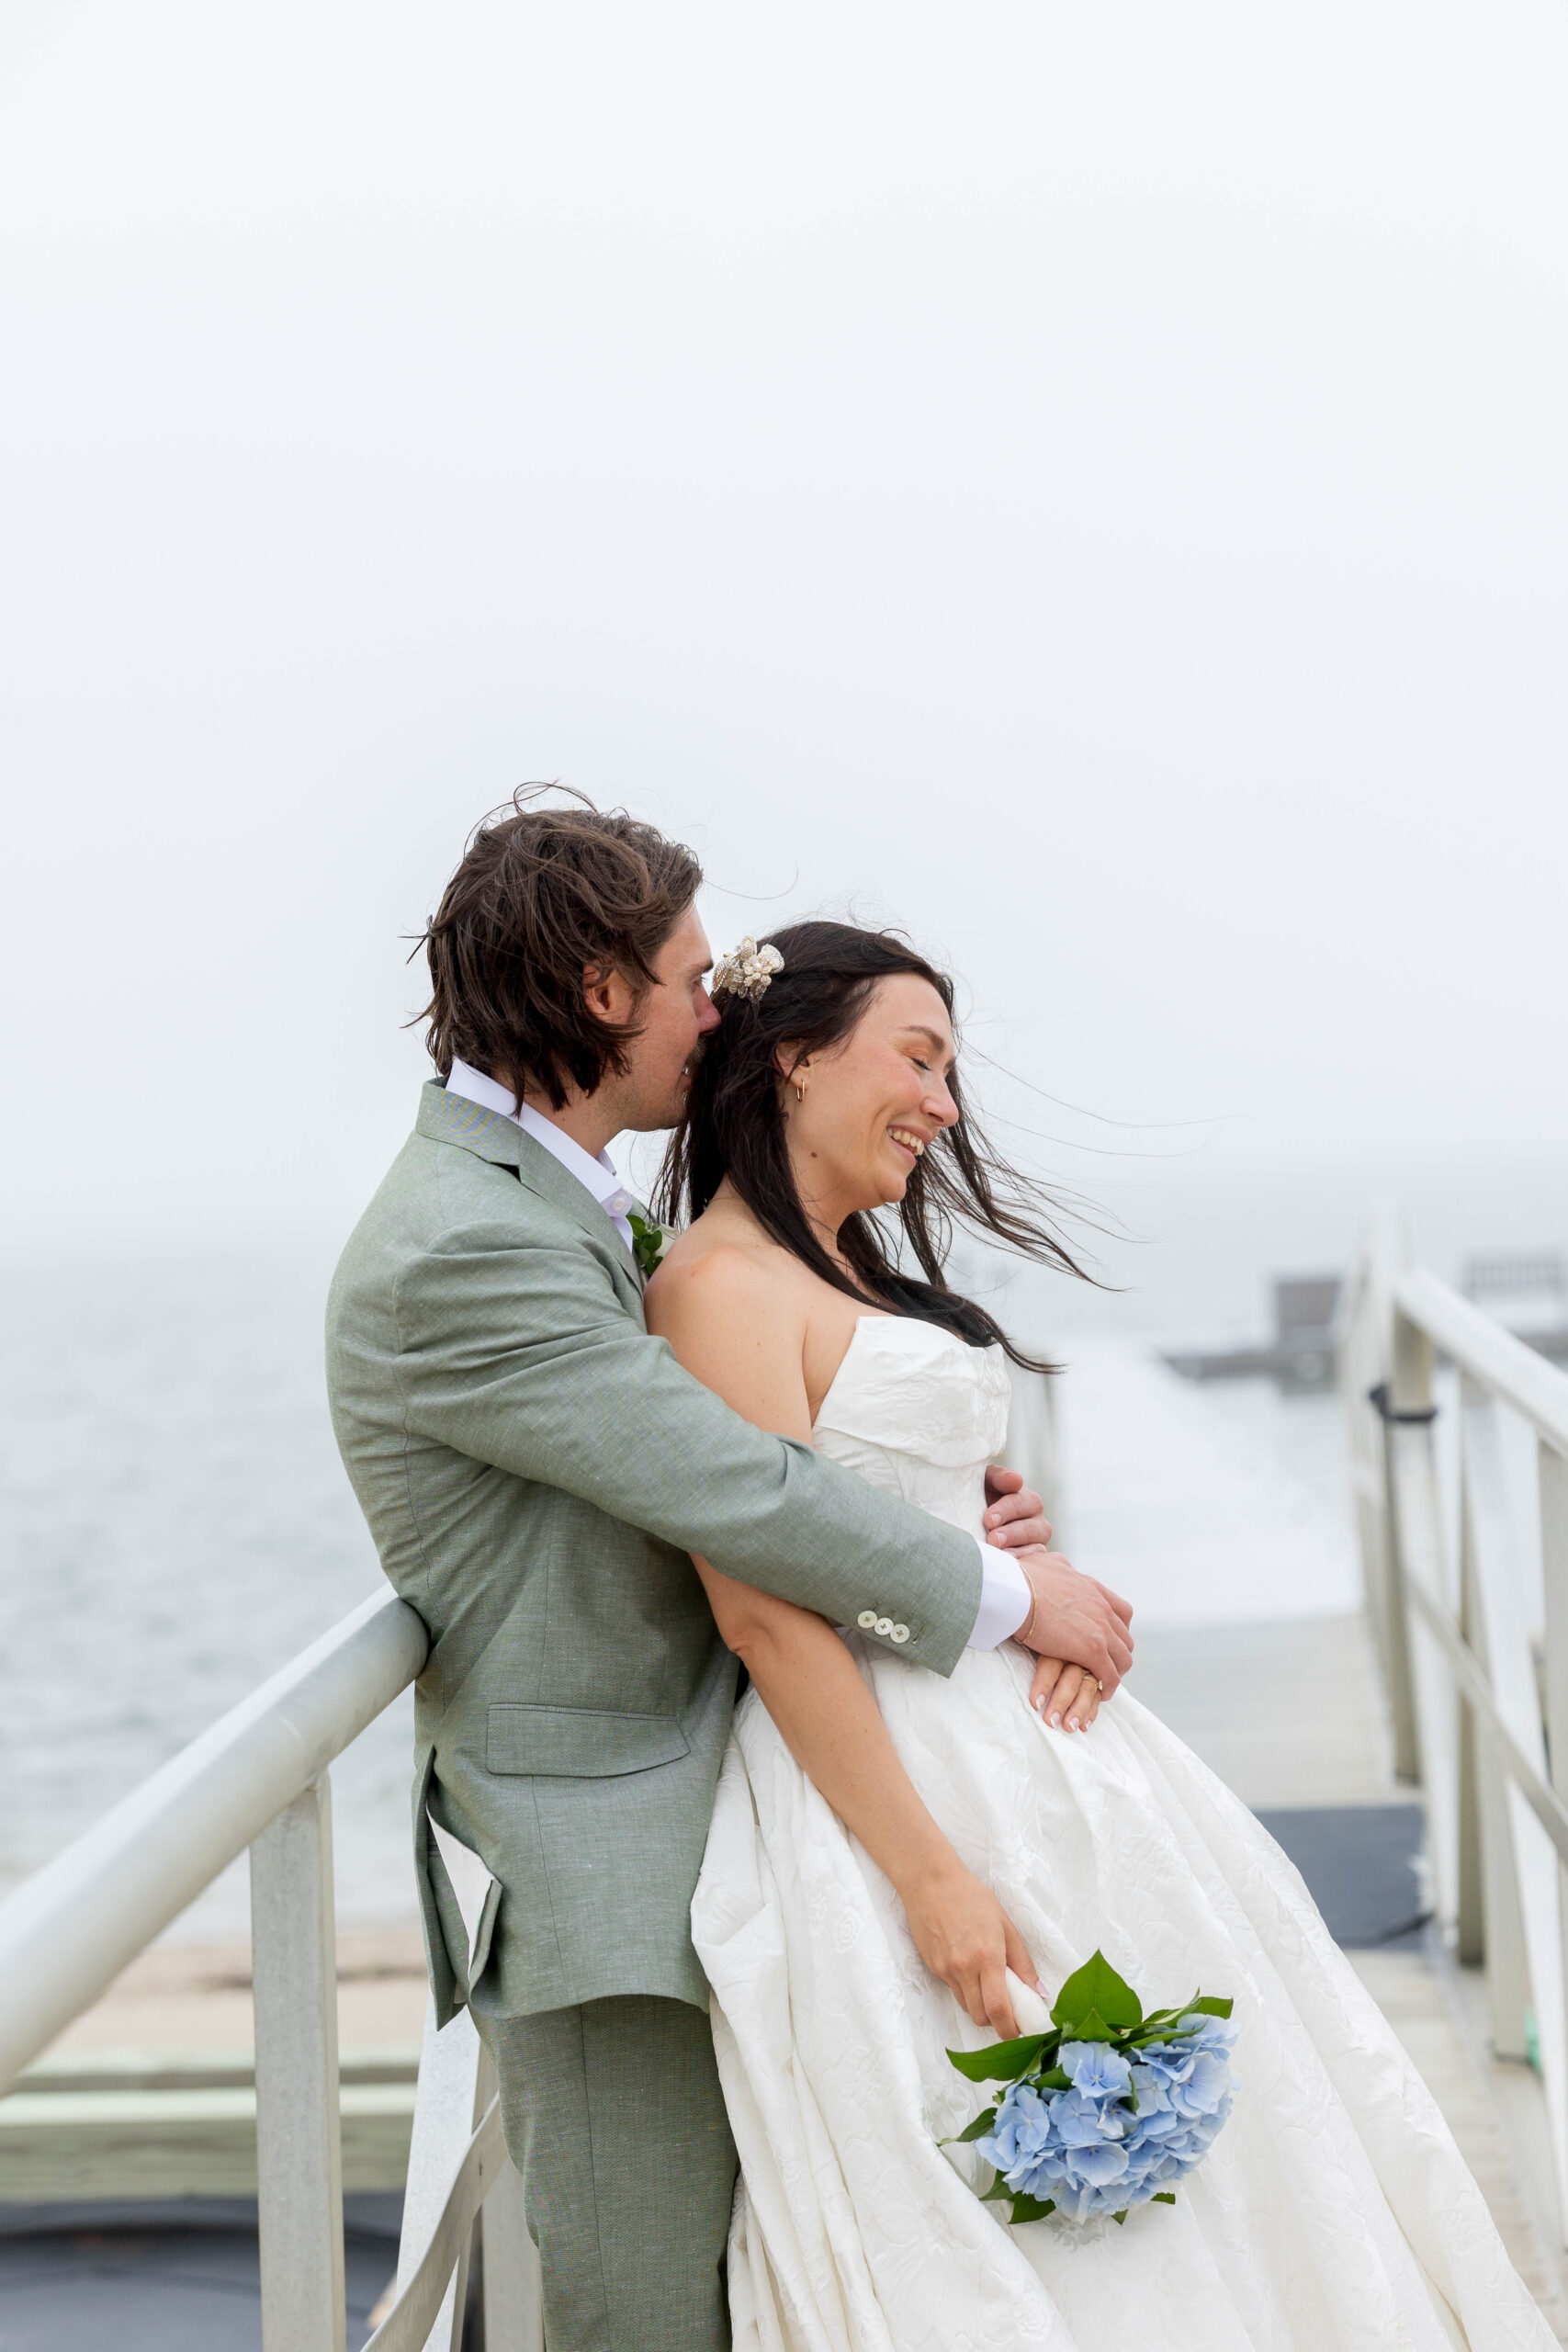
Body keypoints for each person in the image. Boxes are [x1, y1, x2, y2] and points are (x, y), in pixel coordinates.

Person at [647, 917, 1556, 2352]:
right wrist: (933, 1881)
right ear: (794, 1060)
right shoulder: (716, 1285)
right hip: (895, 1786)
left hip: (1032, 1752)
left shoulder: (856, 1267)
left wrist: (1004, 1544)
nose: (946, 1106)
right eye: (920, 1058)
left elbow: (879, 1512)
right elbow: (763, 1603)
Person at [324, 792, 1134, 2352]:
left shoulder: (555, 1203)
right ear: (599, 993)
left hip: (723, 1817)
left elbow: (747, 1463)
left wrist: (939, 1517)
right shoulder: (460, 1245)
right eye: (693, 979)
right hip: (599, 1875)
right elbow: (725, 1484)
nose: (719, 1009)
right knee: (651, 2313)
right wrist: (1011, 1599)